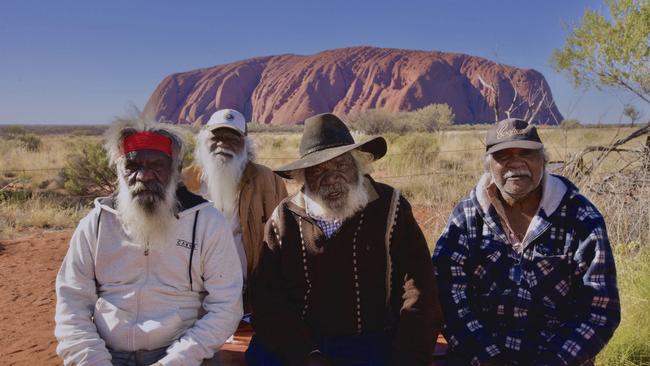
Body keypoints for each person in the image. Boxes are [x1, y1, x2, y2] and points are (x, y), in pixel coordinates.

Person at [246, 113, 443, 366]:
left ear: (358, 166)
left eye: (341, 165)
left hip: (373, 339)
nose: (332, 179)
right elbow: (267, 298)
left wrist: (408, 358)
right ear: (303, 177)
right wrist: (306, 354)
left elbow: (419, 290)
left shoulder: (390, 206)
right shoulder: (283, 219)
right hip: (301, 341)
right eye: (318, 170)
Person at [54, 118, 243, 366]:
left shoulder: (207, 222)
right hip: (107, 354)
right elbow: (71, 302)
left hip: (184, 354)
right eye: (132, 166)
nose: (143, 176)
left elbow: (226, 306)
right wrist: (92, 360)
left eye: (156, 165)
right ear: (119, 170)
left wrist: (175, 362)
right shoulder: (97, 224)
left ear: (175, 170)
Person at [432, 118, 620, 365]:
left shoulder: (580, 217)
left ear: (544, 160)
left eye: (526, 154)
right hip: (479, 355)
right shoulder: (466, 217)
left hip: (559, 358)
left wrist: (554, 361)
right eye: (503, 156)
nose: (515, 163)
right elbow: (448, 294)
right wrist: (487, 358)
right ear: (489, 166)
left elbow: (599, 308)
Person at [183, 108, 288, 282]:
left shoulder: (269, 181)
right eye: (216, 138)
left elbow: (283, 238)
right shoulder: (184, 182)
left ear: (246, 146)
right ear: (203, 141)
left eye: (232, 139)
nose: (222, 144)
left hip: (249, 292)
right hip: (194, 295)